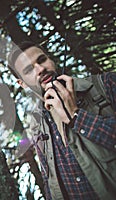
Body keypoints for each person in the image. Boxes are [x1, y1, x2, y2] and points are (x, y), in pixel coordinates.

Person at [8, 41, 116, 199]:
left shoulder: (106, 84)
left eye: (41, 60)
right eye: (29, 69)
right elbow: (48, 180)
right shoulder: (37, 127)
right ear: (22, 83)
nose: (40, 69)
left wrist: (76, 116)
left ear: (50, 60)